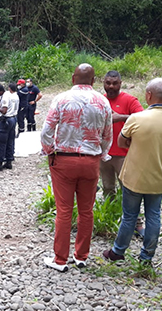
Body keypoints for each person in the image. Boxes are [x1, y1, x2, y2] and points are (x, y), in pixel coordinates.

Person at [41, 64, 112, 272]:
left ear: (73, 78)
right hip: (90, 161)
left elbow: (47, 130)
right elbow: (107, 135)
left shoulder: (61, 99)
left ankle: (60, 260)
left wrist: (49, 151)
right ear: (93, 80)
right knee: (86, 210)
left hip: (64, 159)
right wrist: (101, 153)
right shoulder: (103, 101)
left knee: (64, 210)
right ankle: (81, 257)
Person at [103, 78, 162, 265]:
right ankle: (147, 257)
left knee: (129, 215)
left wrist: (135, 141)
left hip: (134, 176)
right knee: (153, 215)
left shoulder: (137, 118)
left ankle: (118, 251)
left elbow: (122, 142)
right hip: (158, 177)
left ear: (148, 95)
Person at [99, 71, 145, 236]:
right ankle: (110, 220)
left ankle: (137, 223)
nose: (111, 86)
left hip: (124, 154)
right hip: (103, 154)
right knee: (107, 188)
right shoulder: (100, 100)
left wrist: (122, 117)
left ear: (120, 83)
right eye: (108, 83)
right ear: (103, 83)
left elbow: (143, 118)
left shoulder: (129, 100)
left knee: (129, 189)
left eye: (115, 83)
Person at [0, 83, 19, 171]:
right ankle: (9, 161)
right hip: (14, 118)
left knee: (2, 142)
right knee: (10, 141)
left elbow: (4, 111)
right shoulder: (15, 96)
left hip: (6, 120)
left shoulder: (5, 97)